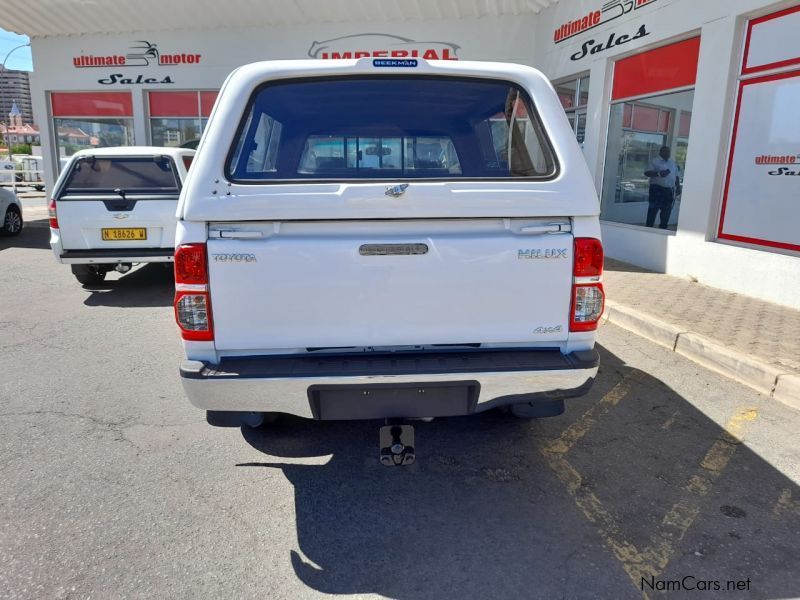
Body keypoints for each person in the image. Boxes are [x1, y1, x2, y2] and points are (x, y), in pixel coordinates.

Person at [644, 146, 681, 229]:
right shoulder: (654, 161)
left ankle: (663, 229)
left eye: (669, 151)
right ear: (661, 152)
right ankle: (648, 229)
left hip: (669, 190)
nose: (668, 153)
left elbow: (676, 175)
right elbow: (646, 173)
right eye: (666, 151)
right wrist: (658, 173)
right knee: (653, 211)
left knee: (666, 211)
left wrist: (678, 187)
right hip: (657, 189)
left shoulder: (672, 162)